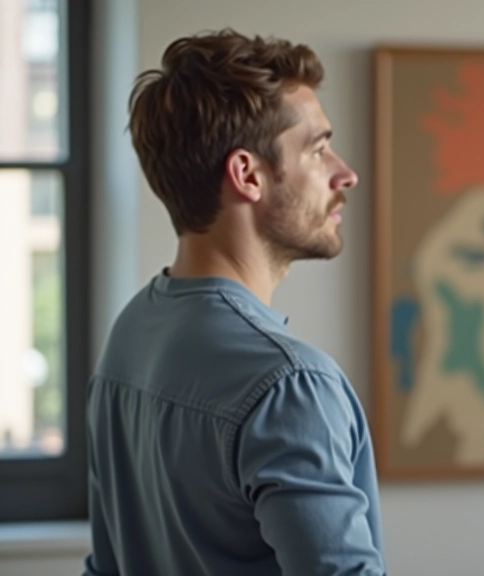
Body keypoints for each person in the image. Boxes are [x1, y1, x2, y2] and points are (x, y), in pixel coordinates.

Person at [84, 29, 385, 576]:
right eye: (318, 150)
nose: (346, 173)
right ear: (247, 174)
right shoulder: (292, 386)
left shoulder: (132, 331)